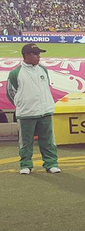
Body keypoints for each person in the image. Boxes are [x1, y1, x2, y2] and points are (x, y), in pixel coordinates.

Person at [6, 44, 61, 175]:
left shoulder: (43, 70)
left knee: (48, 141)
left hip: (45, 112)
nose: (39, 57)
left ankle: (51, 164)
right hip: (26, 114)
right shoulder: (16, 73)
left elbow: (45, 87)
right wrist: (22, 104)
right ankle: (25, 165)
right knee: (26, 142)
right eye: (36, 54)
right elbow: (10, 92)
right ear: (27, 55)